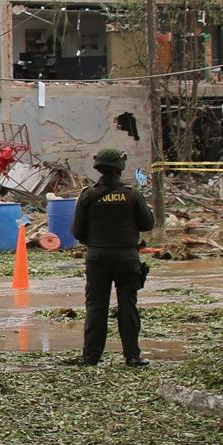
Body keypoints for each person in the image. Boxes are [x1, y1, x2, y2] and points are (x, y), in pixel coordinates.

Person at [70, 146, 156, 367]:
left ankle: (91, 357)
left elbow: (77, 231)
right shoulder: (131, 194)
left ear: (99, 168)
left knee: (96, 307)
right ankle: (133, 356)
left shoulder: (88, 195)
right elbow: (148, 223)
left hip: (97, 257)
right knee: (128, 306)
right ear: (120, 168)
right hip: (127, 257)